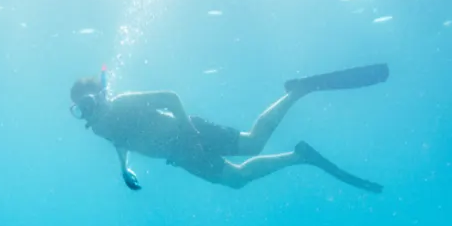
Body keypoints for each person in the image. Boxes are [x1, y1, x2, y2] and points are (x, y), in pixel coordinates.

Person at [69, 65, 389, 192]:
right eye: (80, 108)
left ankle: (299, 90)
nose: (87, 110)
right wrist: (124, 168)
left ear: (100, 95)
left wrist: (189, 132)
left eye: (88, 102)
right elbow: (119, 140)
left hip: (190, 134)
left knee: (253, 143)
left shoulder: (123, 101)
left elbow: (170, 97)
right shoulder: (98, 128)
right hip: (180, 155)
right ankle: (299, 156)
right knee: (237, 181)